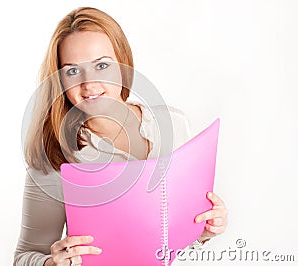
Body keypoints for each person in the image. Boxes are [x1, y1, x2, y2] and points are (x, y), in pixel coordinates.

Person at [13, 7, 228, 266]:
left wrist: (204, 229)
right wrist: (53, 263)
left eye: (102, 65)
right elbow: (24, 257)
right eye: (72, 71)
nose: (89, 84)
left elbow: (171, 235)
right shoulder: (53, 156)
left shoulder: (173, 123)